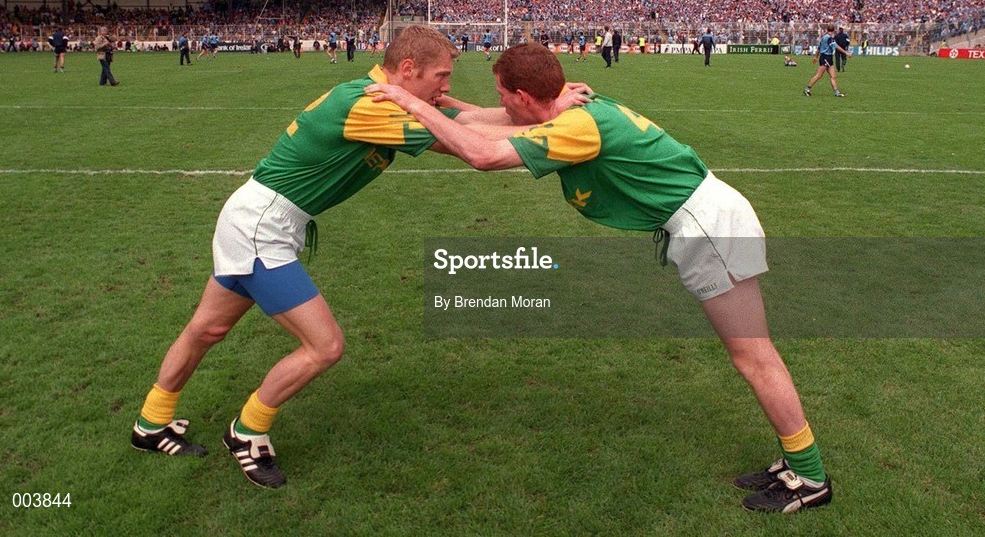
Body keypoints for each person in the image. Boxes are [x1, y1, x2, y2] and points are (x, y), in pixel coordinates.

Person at [365, 42, 833, 514]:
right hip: (707, 220)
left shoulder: (575, 125)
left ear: (525, 96)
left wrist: (410, 104)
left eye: (503, 93)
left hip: (711, 228)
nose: (500, 100)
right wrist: (441, 108)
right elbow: (479, 124)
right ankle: (797, 460)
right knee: (751, 353)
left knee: (753, 354)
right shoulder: (567, 105)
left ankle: (810, 477)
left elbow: (483, 154)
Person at [130, 26, 469, 490]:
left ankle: (151, 423)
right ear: (407, 70)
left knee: (207, 328)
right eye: (441, 75)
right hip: (262, 227)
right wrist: (544, 129)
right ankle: (247, 431)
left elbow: (459, 123)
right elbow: (464, 144)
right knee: (325, 346)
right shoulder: (370, 105)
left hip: (255, 216)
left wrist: (542, 117)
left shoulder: (376, 97)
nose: (446, 86)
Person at [805, 25, 851, 97]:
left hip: (827, 58)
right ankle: (807, 89)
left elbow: (819, 48)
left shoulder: (824, 37)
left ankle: (836, 92)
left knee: (833, 76)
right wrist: (846, 53)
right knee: (819, 75)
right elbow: (836, 46)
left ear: (827, 29)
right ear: (834, 30)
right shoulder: (829, 38)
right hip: (825, 58)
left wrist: (816, 57)